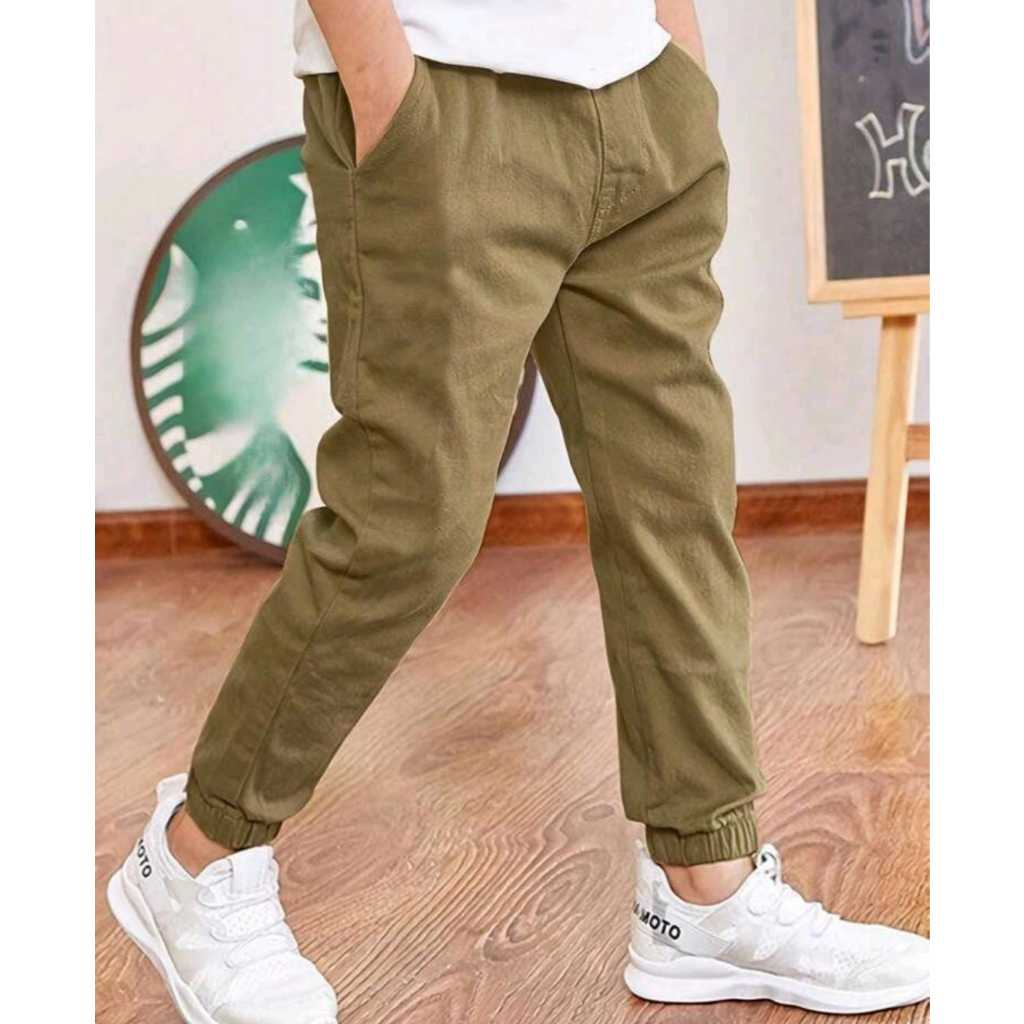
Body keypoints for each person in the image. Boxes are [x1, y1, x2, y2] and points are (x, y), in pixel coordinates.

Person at [107, 2, 929, 1020]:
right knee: (408, 518)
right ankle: (199, 850)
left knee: (675, 500)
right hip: (442, 90)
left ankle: (703, 883)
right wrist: (384, 85)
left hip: (637, 92)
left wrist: (677, 57)